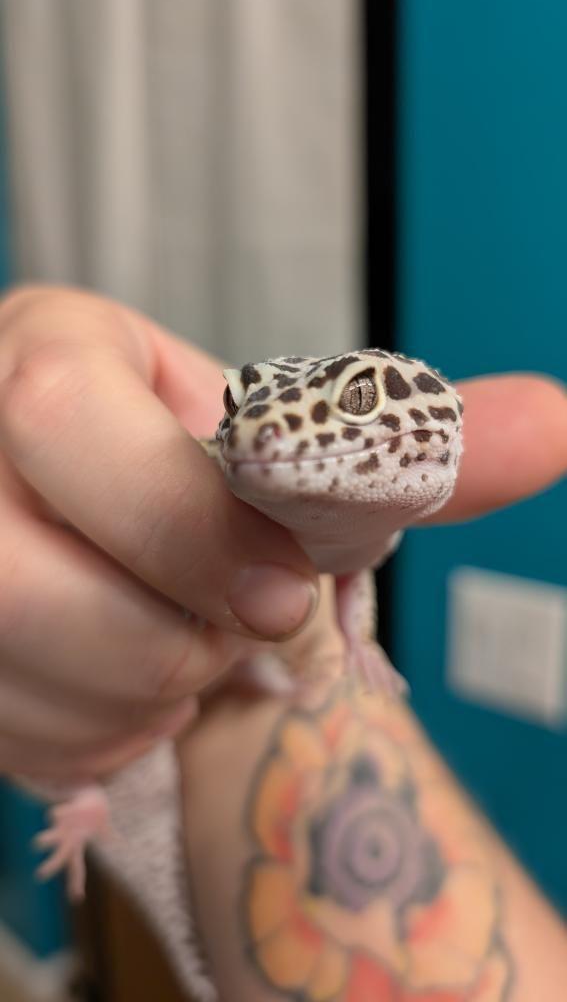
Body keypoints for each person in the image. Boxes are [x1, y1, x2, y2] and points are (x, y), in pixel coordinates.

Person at [0, 284, 566, 1000]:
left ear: (438, 413)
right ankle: (82, 801)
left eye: (358, 400)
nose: (266, 432)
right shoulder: (234, 499)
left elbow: (351, 569)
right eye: (240, 409)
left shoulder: (371, 523)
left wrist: (339, 647)